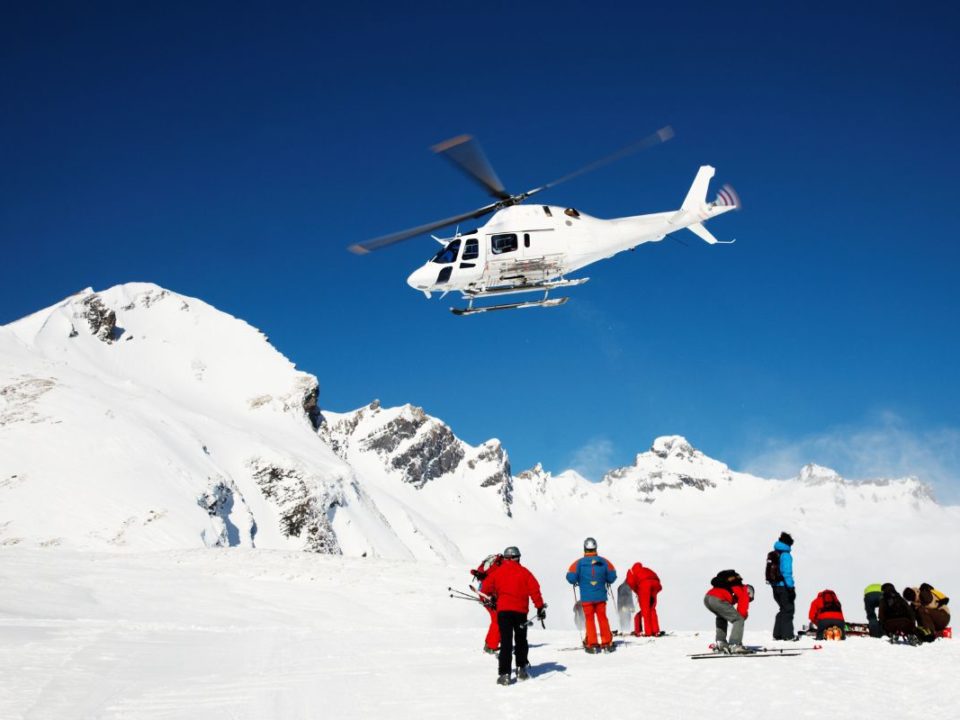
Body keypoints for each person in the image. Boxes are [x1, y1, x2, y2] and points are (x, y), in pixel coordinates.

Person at [480, 545, 546, 686]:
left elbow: (485, 588)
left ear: (506, 558)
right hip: (521, 612)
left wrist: (491, 597)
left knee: (506, 643)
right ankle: (522, 670)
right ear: (516, 558)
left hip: (503, 612)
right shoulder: (525, 572)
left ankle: (505, 675)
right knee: (521, 640)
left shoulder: (497, 573)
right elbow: (535, 590)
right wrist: (540, 607)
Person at [566, 537, 617, 652]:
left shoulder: (578, 563)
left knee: (589, 619)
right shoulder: (604, 561)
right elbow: (612, 576)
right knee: (602, 618)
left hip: (586, 598)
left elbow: (571, 578)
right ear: (595, 548)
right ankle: (607, 643)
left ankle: (592, 643)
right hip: (601, 597)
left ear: (584, 548)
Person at [704, 569, 752, 653]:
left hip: (708, 597)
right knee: (738, 619)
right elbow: (742, 608)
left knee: (722, 617)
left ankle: (721, 643)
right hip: (718, 599)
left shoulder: (731, 585)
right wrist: (742, 617)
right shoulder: (743, 590)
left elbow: (730, 602)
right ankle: (735, 644)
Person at [470, 553, 504, 654]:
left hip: (484, 593)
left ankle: (489, 644)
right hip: (489, 595)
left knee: (496, 619)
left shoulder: (493, 564)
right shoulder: (499, 565)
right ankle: (491, 646)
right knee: (498, 620)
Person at [770, 531, 796, 640]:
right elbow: (787, 573)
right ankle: (788, 635)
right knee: (788, 609)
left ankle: (778, 634)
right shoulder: (785, 555)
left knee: (783, 609)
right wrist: (791, 588)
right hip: (783, 586)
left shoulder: (775, 553)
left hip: (775, 586)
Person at [625, 561, 662, 636]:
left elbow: (631, 583)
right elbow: (656, 577)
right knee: (652, 608)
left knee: (645, 610)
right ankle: (656, 630)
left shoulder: (631, 571)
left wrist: (637, 592)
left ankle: (648, 632)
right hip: (656, 584)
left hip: (645, 585)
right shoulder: (645, 569)